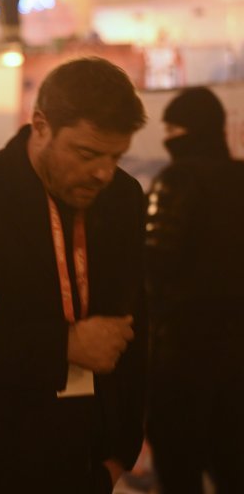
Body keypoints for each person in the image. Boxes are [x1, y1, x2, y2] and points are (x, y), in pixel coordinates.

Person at [0, 56, 149, 493]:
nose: (103, 172)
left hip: (85, 462)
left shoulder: (124, 198)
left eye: (116, 156)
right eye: (87, 153)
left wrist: (118, 454)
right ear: (40, 126)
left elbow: (137, 328)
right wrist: (65, 344)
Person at [145, 87, 244, 493]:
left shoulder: (177, 179)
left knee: (177, 463)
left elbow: (154, 261)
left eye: (174, 127)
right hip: (238, 352)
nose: (169, 137)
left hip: (182, 351)